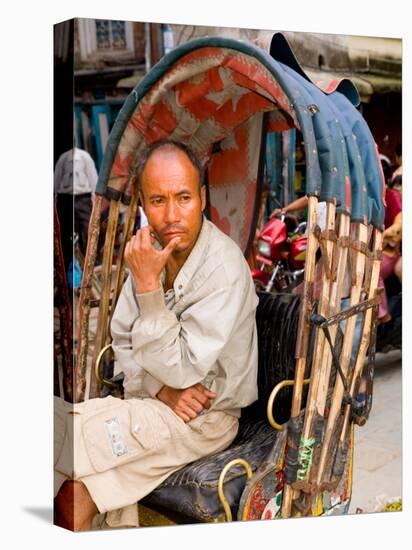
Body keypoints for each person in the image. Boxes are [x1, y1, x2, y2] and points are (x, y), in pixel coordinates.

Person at [54, 140, 259, 531]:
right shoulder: (150, 252)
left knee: (61, 436)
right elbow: (124, 344)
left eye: (183, 197)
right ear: (143, 205)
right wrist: (158, 387)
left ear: (201, 198)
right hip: (155, 403)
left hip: (204, 419)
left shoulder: (223, 268)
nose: (171, 215)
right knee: (71, 488)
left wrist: (149, 290)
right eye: (158, 200)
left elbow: (183, 371)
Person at [54, 143, 99, 270]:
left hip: (82, 198)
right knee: (66, 232)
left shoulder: (85, 157)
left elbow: (93, 178)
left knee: (87, 230)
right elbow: (56, 180)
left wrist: (95, 202)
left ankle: (90, 263)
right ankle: (67, 264)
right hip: (66, 199)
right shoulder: (63, 158)